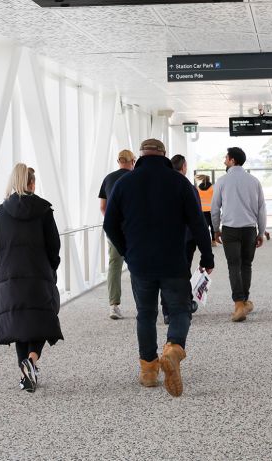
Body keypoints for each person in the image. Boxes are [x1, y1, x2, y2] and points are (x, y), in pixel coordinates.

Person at [103, 138, 214, 397]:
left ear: (140, 156)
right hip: (173, 260)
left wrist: (127, 251)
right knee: (179, 310)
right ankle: (173, 349)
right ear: (163, 155)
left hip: (140, 262)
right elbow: (198, 223)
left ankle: (149, 371)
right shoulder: (179, 182)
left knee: (145, 314)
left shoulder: (124, 183)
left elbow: (109, 224)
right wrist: (207, 257)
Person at [0, 163, 63, 393]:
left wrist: (0, 267)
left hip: (10, 277)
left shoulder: (0, 213)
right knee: (40, 321)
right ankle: (32, 360)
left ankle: (25, 373)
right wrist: (51, 268)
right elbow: (54, 246)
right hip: (39, 275)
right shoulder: (44, 211)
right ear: (31, 184)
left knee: (19, 325)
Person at [210, 147, 267, 323]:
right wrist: (261, 231)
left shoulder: (222, 181)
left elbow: (214, 208)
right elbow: (261, 209)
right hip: (249, 229)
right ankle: (244, 300)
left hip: (230, 229)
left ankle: (238, 304)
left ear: (232, 160)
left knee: (233, 266)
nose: (224, 160)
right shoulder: (254, 181)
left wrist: (216, 229)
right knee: (246, 265)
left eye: (226, 158)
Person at [161, 154, 201, 324]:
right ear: (184, 166)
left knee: (165, 273)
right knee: (183, 272)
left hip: (165, 238)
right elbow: (197, 217)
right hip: (186, 238)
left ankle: (167, 311)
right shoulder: (189, 187)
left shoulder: (161, 185)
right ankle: (185, 306)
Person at [99, 149, 136, 320]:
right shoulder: (136, 178)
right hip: (133, 228)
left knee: (114, 265)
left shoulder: (108, 178)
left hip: (114, 229)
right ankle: (143, 303)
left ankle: (114, 305)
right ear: (132, 161)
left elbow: (102, 207)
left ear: (118, 161)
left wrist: (113, 222)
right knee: (137, 263)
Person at [196, 174, 215, 240]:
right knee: (213, 225)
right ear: (209, 180)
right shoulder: (213, 187)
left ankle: (205, 239)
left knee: (204, 226)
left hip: (202, 210)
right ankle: (213, 241)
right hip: (212, 210)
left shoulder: (198, 188)